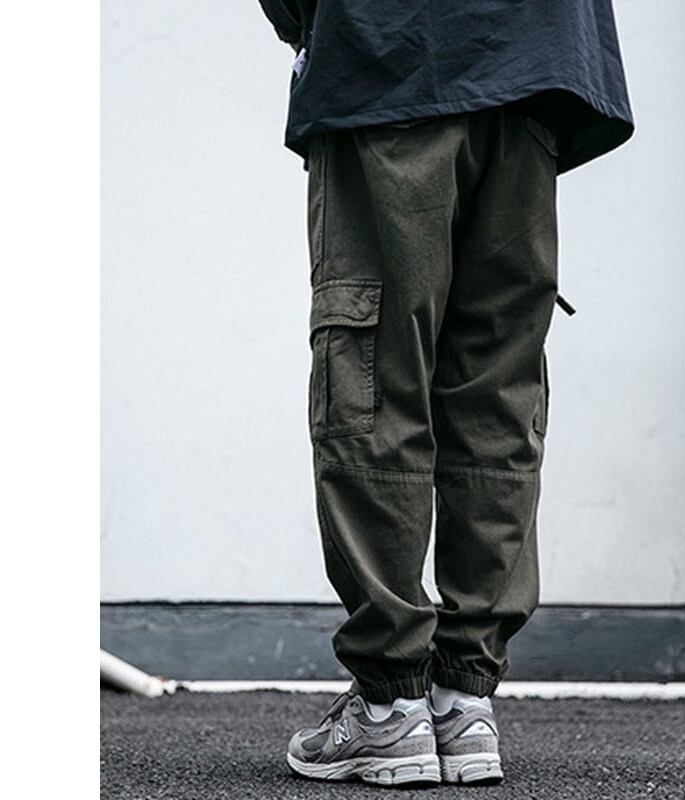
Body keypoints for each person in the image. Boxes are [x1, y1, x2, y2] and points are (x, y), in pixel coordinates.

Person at [256, 0, 633, 786]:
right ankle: (465, 699)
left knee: (372, 376)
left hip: (391, 53)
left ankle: (391, 706)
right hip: (537, 62)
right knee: (496, 390)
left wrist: (312, 25)